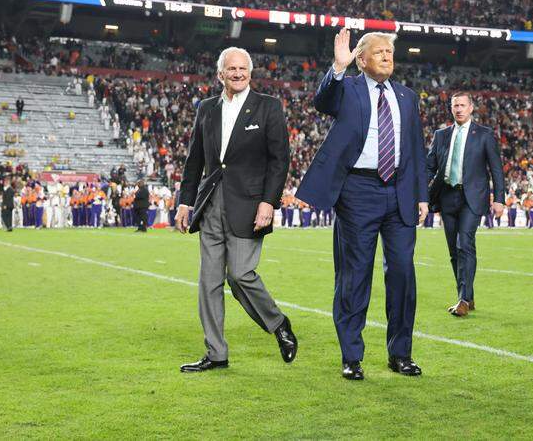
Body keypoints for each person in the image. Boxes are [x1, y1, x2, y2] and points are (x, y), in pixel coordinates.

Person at [296, 29, 428, 381]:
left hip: (400, 190)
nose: (387, 56)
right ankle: (351, 356)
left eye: (390, 52)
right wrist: (337, 68)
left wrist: (421, 195)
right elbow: (322, 102)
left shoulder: (407, 96)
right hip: (357, 190)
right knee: (354, 276)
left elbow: (416, 149)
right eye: (380, 52)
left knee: (402, 273)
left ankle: (400, 354)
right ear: (362, 59)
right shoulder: (348, 88)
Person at [175, 47, 297, 373]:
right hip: (211, 202)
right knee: (209, 281)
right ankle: (216, 353)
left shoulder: (268, 107)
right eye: (232, 69)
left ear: (250, 73)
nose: (238, 73)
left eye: (243, 68)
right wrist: (185, 201)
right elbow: (194, 161)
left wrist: (268, 202)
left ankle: (279, 324)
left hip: (250, 204)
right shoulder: (206, 109)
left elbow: (279, 159)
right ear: (221, 74)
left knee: (241, 273)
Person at [425, 92, 505, 317]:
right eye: (455, 106)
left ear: (471, 108)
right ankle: (467, 295)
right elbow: (429, 167)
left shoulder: (485, 135)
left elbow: (496, 169)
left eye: (462, 105)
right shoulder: (441, 135)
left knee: (464, 244)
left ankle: (462, 299)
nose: (458, 109)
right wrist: (420, 192)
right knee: (453, 251)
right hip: (447, 196)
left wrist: (499, 198)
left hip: (472, 197)